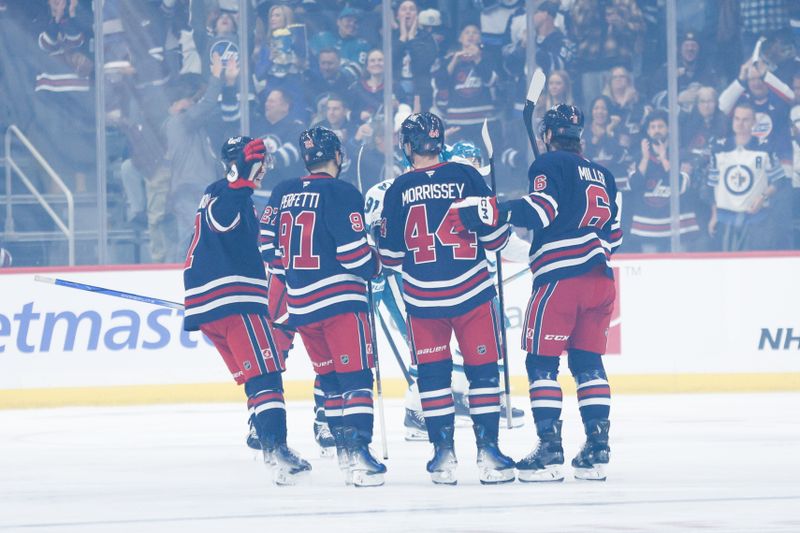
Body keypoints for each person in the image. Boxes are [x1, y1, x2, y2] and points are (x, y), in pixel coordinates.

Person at [447, 104, 622, 482]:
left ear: (546, 136)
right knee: (588, 363)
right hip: (602, 280)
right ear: (581, 137)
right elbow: (616, 236)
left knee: (542, 364)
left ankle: (549, 448)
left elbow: (541, 211)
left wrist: (496, 209)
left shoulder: (547, 166)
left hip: (561, 279)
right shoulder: (605, 175)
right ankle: (597, 448)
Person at [378, 112, 516, 485]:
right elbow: (497, 241)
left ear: (408, 147)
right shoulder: (467, 176)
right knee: (483, 373)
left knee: (434, 378)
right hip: (472, 292)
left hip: (423, 301)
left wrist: (381, 234)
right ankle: (489, 452)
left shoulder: (397, 189)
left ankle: (443, 454)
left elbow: (389, 259)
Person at [182, 136, 311, 486]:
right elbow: (222, 220)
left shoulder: (224, 192)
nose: (265, 167)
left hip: (215, 303)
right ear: (239, 164)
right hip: (234, 300)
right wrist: (240, 180)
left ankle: (264, 434)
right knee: (268, 373)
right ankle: (277, 450)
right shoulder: (226, 193)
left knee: (258, 376)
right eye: (259, 162)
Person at [263, 127, 386, 487]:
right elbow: (353, 255)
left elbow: (267, 248)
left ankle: (346, 454)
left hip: (301, 307)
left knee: (330, 380)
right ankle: (359, 454)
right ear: (337, 157)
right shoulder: (342, 192)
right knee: (357, 377)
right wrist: (376, 263)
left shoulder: (283, 191)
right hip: (340, 304)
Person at [707, 102, 787, 251]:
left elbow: (778, 180)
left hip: (756, 219)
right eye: (737, 119)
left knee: (755, 265)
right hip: (726, 218)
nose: (740, 124)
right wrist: (714, 215)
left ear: (754, 122)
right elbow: (712, 185)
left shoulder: (765, 147)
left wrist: (762, 198)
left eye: (745, 119)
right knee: (728, 266)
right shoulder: (719, 148)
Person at [626, 110, 701, 252]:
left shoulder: (682, 155)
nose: (657, 130)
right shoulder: (639, 157)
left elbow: (680, 186)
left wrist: (664, 159)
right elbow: (633, 186)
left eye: (660, 126)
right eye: (653, 127)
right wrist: (645, 159)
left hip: (678, 225)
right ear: (648, 131)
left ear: (669, 129)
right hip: (648, 225)